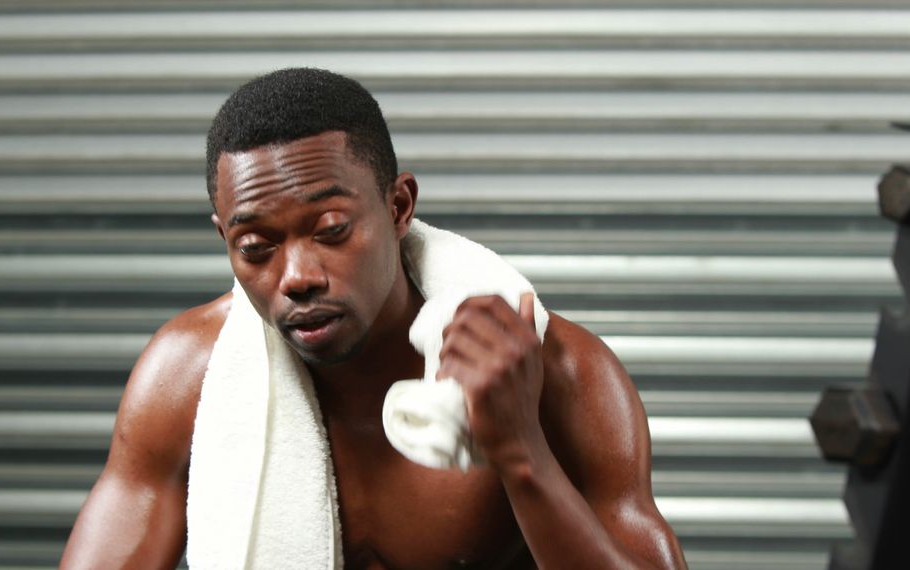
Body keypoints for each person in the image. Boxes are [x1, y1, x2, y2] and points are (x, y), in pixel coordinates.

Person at [60, 67, 687, 569]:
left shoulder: (559, 372)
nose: (297, 275)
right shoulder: (185, 379)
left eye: (331, 231)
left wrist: (520, 451)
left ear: (398, 205)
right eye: (255, 247)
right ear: (225, 237)